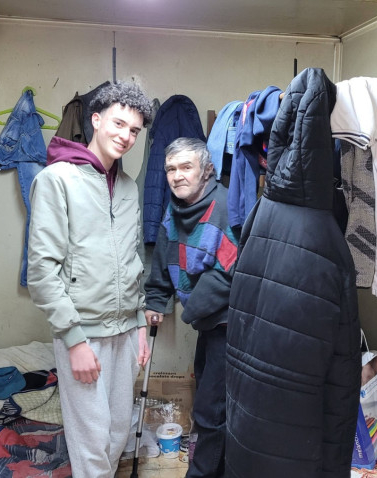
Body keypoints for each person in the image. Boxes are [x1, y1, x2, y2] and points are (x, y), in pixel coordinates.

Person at [26, 81, 155, 478]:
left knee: (117, 434)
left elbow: (133, 260)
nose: (126, 136)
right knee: (91, 441)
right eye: (118, 124)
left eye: (134, 131)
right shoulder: (57, 179)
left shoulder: (128, 188)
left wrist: (139, 324)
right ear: (96, 120)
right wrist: (75, 340)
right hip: (83, 332)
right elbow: (41, 271)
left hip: (126, 332)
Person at [144, 137, 239, 478]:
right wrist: (156, 299)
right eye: (171, 168)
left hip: (229, 324)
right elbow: (164, 252)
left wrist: (191, 309)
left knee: (210, 410)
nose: (177, 176)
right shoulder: (175, 207)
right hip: (206, 322)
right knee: (210, 401)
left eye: (186, 167)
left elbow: (230, 272)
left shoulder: (225, 207)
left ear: (207, 170)